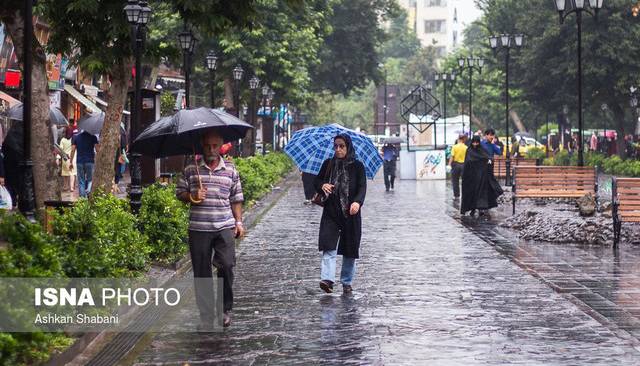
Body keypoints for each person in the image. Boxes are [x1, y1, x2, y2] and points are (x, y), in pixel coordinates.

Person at [176, 129, 244, 329]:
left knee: (227, 265)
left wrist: (238, 222)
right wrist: (192, 195)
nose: (211, 149)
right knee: (202, 272)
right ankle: (206, 315)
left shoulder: (231, 170)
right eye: (207, 146)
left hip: (224, 225)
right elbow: (180, 193)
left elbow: (236, 198)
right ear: (202, 146)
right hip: (199, 227)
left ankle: (224, 309)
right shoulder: (191, 169)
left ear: (221, 146)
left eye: (215, 146)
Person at [314, 134, 366, 295]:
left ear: (348, 147)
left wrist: (357, 202)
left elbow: (362, 187)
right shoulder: (328, 164)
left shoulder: (357, 166)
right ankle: (327, 280)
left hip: (351, 213)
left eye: (341, 146)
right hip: (331, 211)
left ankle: (346, 282)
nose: (338, 149)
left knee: (350, 248)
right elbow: (316, 182)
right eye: (335, 146)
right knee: (329, 245)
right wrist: (323, 185)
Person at [461, 136, 503, 217]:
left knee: (480, 193)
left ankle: (480, 208)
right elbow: (467, 162)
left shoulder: (482, 150)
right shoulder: (469, 150)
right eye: (474, 142)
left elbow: (487, 158)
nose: (475, 144)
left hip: (481, 177)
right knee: (472, 193)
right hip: (471, 177)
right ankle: (472, 209)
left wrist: (488, 160)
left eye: (477, 142)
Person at [69, 131, 99, 198]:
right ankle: (89, 194)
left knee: (81, 180)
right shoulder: (93, 137)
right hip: (90, 161)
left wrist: (70, 161)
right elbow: (97, 149)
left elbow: (73, 150)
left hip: (79, 161)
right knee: (90, 179)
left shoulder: (76, 137)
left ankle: (82, 198)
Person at [449, 135, 467, 199]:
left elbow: (452, 156)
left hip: (456, 165)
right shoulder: (466, 147)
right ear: (463, 139)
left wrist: (449, 165)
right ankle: (465, 195)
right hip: (464, 165)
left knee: (455, 181)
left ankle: (456, 195)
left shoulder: (454, 147)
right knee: (465, 181)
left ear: (458, 139)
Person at [59, 126, 76, 192]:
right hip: (73, 158)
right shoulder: (73, 139)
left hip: (65, 158)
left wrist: (59, 158)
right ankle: (71, 187)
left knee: (65, 173)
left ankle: (65, 186)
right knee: (72, 173)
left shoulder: (63, 140)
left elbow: (61, 149)